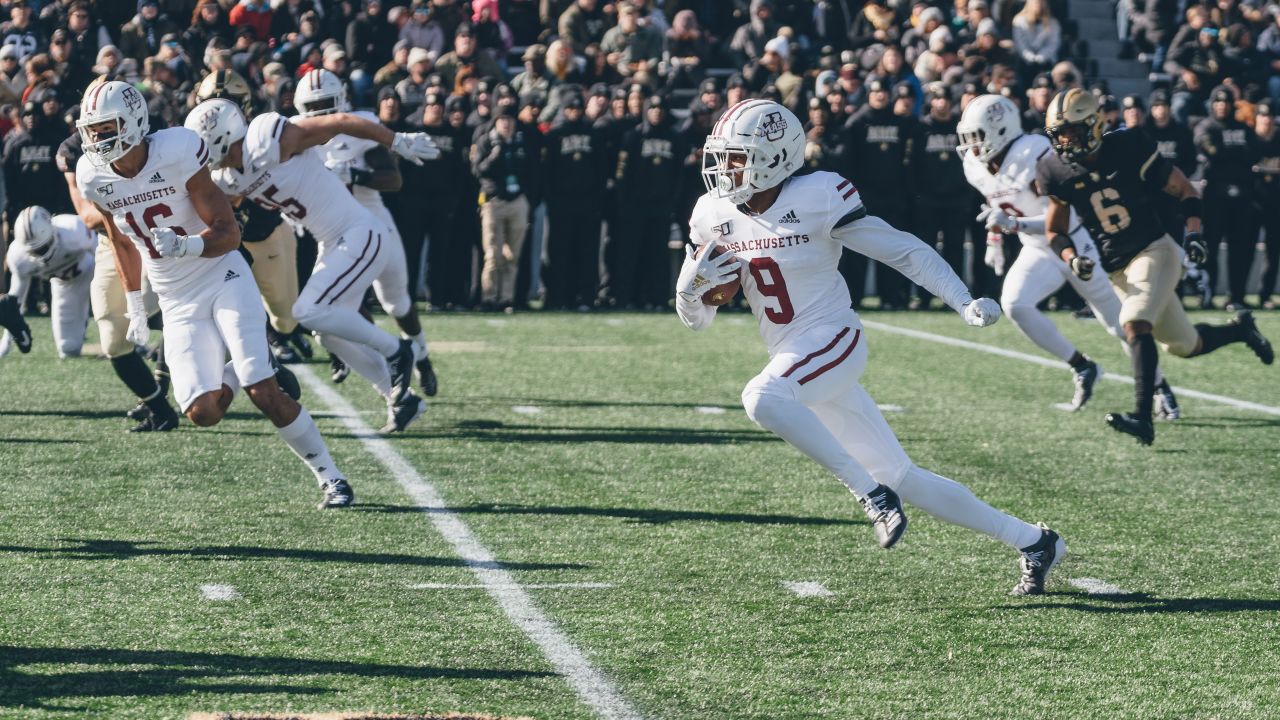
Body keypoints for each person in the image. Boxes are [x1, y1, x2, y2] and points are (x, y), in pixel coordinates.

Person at [679, 99, 1066, 595]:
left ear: (776, 155)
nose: (725, 169)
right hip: (792, 354)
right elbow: (696, 321)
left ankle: (870, 495)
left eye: (736, 156)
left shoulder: (818, 194)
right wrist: (687, 290)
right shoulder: (712, 213)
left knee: (762, 398)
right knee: (905, 477)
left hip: (834, 337)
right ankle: (1034, 541)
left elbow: (902, 249)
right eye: (723, 156)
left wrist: (962, 300)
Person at [75, 80, 354, 508]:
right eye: (92, 130)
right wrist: (134, 305)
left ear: (133, 121)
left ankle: (331, 477)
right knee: (203, 413)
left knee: (266, 392)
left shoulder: (177, 151)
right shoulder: (93, 174)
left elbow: (228, 233)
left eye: (106, 127)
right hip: (175, 298)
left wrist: (187, 244)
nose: (97, 139)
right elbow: (123, 240)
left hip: (221, 274)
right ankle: (246, 365)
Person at [184, 96, 437, 432]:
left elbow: (341, 120)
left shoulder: (269, 137)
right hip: (333, 242)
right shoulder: (229, 178)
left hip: (358, 231)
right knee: (327, 334)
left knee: (308, 311)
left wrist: (396, 140)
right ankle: (401, 399)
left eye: (212, 146)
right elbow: (219, 209)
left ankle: (396, 350)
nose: (211, 158)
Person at [1039, 88, 1274, 445]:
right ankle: (1241, 329)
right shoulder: (1054, 170)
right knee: (1184, 345)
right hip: (1117, 267)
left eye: (1071, 130)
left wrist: (1194, 233)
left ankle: (1142, 418)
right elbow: (1054, 230)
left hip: (1155, 249)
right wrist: (1072, 258)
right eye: (1059, 133)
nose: (1065, 140)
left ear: (1093, 124)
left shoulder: (1129, 146)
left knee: (1133, 323)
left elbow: (1186, 190)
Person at [959, 94, 1178, 415]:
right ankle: (1081, 365)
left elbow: (1065, 219)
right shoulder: (975, 167)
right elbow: (997, 205)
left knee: (1120, 323)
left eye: (978, 137)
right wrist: (995, 235)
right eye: (969, 139)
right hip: (1037, 248)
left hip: (1077, 244)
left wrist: (1014, 223)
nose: (973, 146)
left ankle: (1160, 388)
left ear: (1001, 129)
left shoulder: (1033, 153)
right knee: (1015, 304)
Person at [294, 68, 438, 397]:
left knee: (397, 302)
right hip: (332, 232)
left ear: (341, 100)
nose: (319, 114)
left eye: (326, 104)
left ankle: (422, 357)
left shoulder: (357, 130)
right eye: (312, 107)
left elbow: (394, 179)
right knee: (334, 309)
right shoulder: (295, 138)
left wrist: (355, 175)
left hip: (373, 222)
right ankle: (386, 367)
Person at [0, 207, 94, 359]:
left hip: (92, 271)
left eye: (43, 248)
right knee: (68, 348)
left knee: (113, 314)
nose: (41, 254)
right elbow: (14, 304)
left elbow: (105, 254)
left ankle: (138, 346)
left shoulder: (74, 230)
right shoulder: (19, 257)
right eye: (35, 251)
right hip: (65, 284)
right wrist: (6, 341)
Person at [541, 93, 605, 311]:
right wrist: (552, 200)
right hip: (561, 203)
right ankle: (557, 298)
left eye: (578, 109)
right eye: (570, 108)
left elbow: (600, 170)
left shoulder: (594, 134)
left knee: (586, 253)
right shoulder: (554, 136)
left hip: (587, 203)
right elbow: (547, 172)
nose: (574, 112)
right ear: (564, 110)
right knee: (559, 253)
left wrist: (596, 199)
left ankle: (585, 297)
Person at [1195, 86, 1256, 310]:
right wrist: (1235, 157)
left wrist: (1229, 157)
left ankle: (1236, 296)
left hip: (1241, 198)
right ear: (1212, 104)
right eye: (1217, 102)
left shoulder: (1242, 128)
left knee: (1239, 249)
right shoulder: (1205, 126)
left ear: (1232, 105)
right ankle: (1208, 294)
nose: (1221, 106)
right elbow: (1212, 151)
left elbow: (1253, 153)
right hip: (1214, 198)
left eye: (1226, 102)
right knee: (1209, 248)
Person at [912, 85, 971, 310]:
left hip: (956, 199)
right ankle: (924, 296)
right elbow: (912, 165)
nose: (942, 102)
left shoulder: (961, 128)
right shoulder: (921, 129)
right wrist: (917, 195)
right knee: (926, 251)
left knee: (954, 251)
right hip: (927, 200)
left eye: (946, 98)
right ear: (931, 102)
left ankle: (954, 298)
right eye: (937, 98)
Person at [472, 103, 534, 311]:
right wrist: (495, 155)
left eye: (510, 120)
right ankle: (489, 297)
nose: (506, 124)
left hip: (517, 200)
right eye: (502, 120)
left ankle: (506, 298)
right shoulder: (486, 141)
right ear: (496, 122)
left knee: (512, 255)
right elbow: (478, 170)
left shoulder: (522, 142)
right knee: (492, 254)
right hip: (493, 200)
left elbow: (532, 170)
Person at [1250, 100, 1280, 309]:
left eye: (1270, 116)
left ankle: (1265, 295)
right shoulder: (1248, 139)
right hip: (1251, 204)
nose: (1266, 120)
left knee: (1273, 251)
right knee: (1243, 250)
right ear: (1256, 119)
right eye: (1262, 115)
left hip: (1276, 204)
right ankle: (1237, 295)